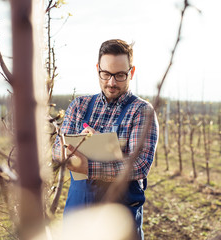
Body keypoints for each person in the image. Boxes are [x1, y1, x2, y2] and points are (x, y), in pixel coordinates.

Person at [52, 39, 159, 239]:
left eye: (119, 75)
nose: (111, 82)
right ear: (98, 70)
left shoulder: (141, 111)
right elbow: (57, 150)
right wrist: (76, 148)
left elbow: (140, 165)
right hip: (79, 218)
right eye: (106, 74)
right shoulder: (79, 106)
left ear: (131, 72)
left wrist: (89, 167)